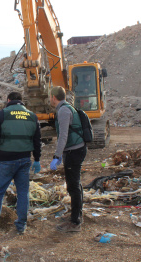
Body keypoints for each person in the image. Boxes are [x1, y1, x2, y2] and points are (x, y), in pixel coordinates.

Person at [0, 91, 42, 236]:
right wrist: (37, 159)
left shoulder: (1, 115)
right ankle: (21, 226)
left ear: (8, 100)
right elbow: (37, 141)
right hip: (24, 160)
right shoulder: (32, 116)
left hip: (5, 160)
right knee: (22, 193)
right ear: (21, 101)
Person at [50, 86, 87, 232]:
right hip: (75, 150)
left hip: (74, 151)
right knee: (75, 184)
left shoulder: (64, 110)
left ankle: (75, 223)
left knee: (73, 186)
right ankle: (76, 214)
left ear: (54, 97)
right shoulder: (67, 107)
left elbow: (63, 136)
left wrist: (57, 156)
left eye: (50, 97)